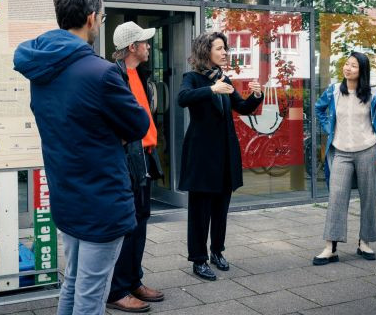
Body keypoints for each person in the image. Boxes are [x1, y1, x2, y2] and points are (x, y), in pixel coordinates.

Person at [13, 0, 149, 315]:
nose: (99, 23)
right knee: (91, 294)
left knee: (73, 283)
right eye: (101, 18)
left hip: (67, 195)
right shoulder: (100, 73)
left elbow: (66, 124)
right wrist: (112, 133)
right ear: (90, 18)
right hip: (101, 200)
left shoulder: (42, 68)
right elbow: (138, 125)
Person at [178, 32, 263, 281]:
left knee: (220, 208)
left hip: (225, 153)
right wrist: (211, 90)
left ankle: (217, 251)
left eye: (225, 48)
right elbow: (182, 98)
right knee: (200, 211)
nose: (225, 52)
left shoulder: (224, 78)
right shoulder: (192, 78)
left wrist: (256, 96)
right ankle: (198, 259)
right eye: (219, 48)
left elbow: (242, 107)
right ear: (206, 51)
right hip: (202, 155)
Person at [106, 21, 164, 313]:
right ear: (132, 47)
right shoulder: (114, 76)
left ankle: (133, 280)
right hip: (127, 158)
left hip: (145, 157)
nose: (148, 46)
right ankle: (116, 290)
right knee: (126, 226)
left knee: (140, 222)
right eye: (144, 42)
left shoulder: (141, 75)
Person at [313, 51, 376, 266]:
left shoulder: (373, 94)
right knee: (336, 198)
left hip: (367, 150)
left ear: (362, 71)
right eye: (347, 64)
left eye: (353, 66)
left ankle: (364, 242)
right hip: (341, 152)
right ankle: (330, 247)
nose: (348, 68)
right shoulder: (334, 91)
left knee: (368, 198)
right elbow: (319, 109)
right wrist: (330, 129)